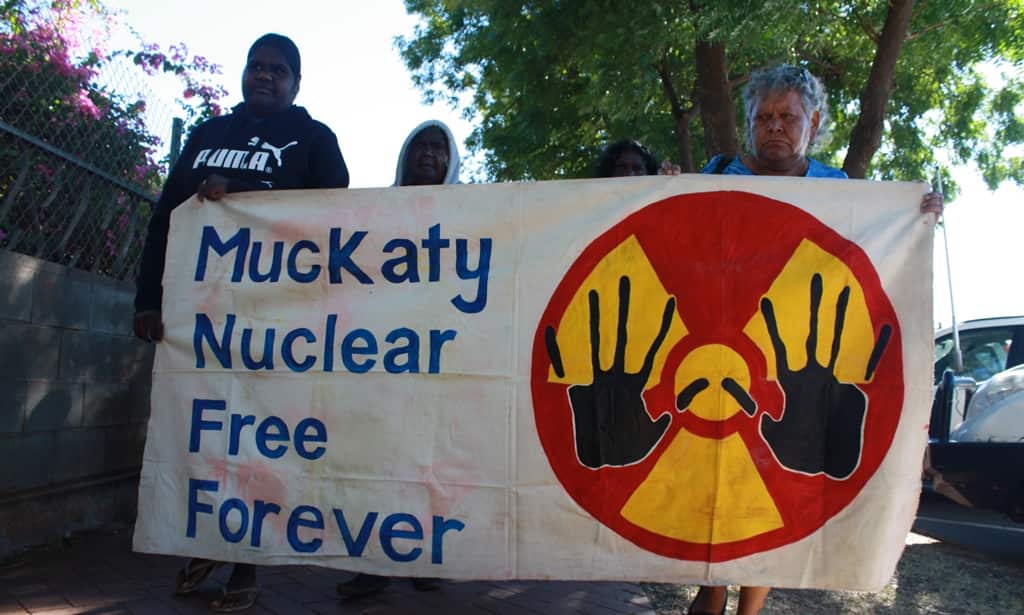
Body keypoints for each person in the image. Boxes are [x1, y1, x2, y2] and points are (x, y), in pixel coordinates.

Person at [687, 63, 942, 615]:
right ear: (750, 123)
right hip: (723, 352)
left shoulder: (840, 192)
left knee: (772, 495)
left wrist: (916, 220)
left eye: (788, 117)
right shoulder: (718, 175)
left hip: (798, 365)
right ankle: (709, 596)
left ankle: (750, 609)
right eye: (764, 117)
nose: (775, 127)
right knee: (718, 492)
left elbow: (871, 259)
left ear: (814, 122)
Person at [132, 33, 349, 613]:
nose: (264, 76)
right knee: (203, 436)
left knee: (262, 440)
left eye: (278, 70)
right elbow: (164, 221)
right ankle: (208, 539)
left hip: (279, 325)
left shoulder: (314, 141)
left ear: (296, 83)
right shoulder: (208, 135)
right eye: (256, 66)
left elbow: (337, 216)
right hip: (200, 322)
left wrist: (245, 191)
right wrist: (146, 300)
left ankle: (247, 565)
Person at [334, 119, 461, 600]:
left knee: (433, 463)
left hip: (443, 358)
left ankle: (426, 559)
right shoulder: (377, 211)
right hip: (383, 358)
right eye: (419, 146)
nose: (428, 154)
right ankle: (374, 564)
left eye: (438, 147)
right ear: (404, 156)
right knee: (382, 460)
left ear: (451, 159)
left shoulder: (474, 211)